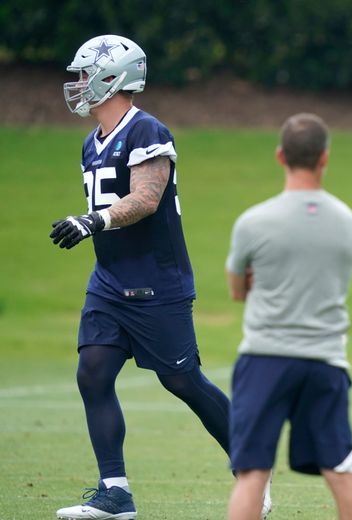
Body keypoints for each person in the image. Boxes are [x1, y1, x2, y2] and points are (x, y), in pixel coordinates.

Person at [50, 34, 248, 520]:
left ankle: (250, 465)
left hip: (156, 282)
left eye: (84, 74)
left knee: (181, 380)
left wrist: (91, 221)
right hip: (110, 280)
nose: (77, 84)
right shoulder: (89, 143)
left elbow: (146, 199)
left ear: (111, 78)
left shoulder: (146, 131)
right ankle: (114, 492)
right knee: (92, 373)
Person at [225, 113, 352, 520]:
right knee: (341, 471)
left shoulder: (253, 221)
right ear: (324, 158)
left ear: (279, 156)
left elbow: (237, 290)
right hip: (325, 361)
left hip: (265, 358)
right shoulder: (347, 221)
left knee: (252, 473)